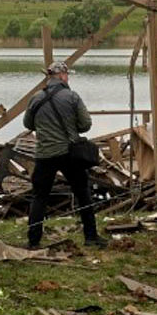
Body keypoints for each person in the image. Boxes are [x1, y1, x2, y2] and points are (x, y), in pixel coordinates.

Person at [23, 61, 105, 249]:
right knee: (83, 194)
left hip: (44, 154)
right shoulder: (72, 97)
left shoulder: (35, 98)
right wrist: (70, 126)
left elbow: (28, 124)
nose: (68, 78)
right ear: (61, 76)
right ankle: (91, 237)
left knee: (39, 197)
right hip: (69, 153)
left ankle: (33, 241)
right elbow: (85, 125)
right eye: (67, 75)